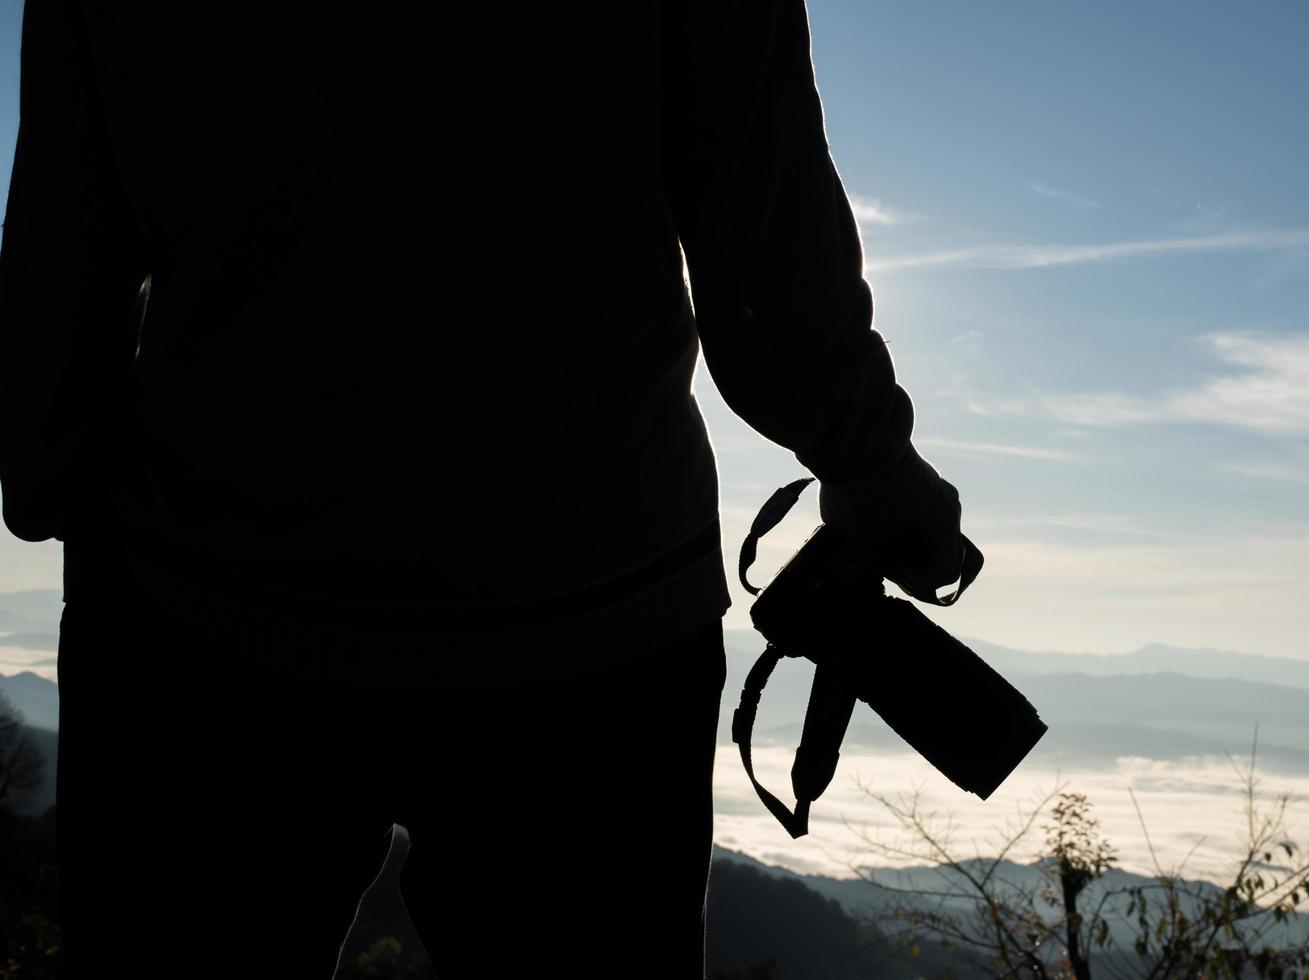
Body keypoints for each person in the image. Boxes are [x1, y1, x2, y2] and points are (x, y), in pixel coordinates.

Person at [0, 0, 964, 976]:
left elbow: (64, 228)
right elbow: (764, 233)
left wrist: (50, 472)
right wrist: (871, 467)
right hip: (592, 629)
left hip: (205, 623)